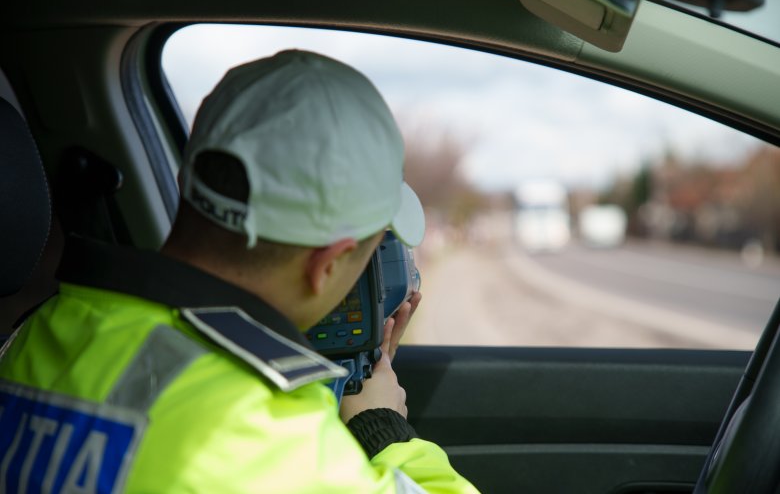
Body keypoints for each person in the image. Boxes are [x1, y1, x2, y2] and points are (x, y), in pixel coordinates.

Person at [0, 50, 479, 493]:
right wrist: (383, 429)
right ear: (327, 265)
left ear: (188, 181)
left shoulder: (33, 335)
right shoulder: (265, 436)